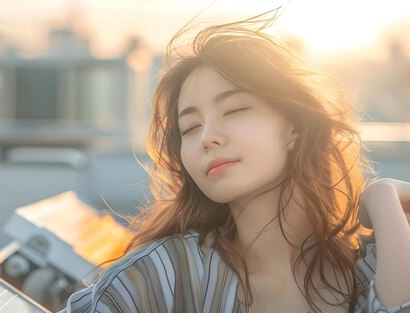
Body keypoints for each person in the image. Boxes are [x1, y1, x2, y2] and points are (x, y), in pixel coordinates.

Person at [58, 8, 410, 313]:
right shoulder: (164, 276)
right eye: (190, 127)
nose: (208, 136)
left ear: (294, 126)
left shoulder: (371, 269)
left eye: (235, 109)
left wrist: (382, 197)